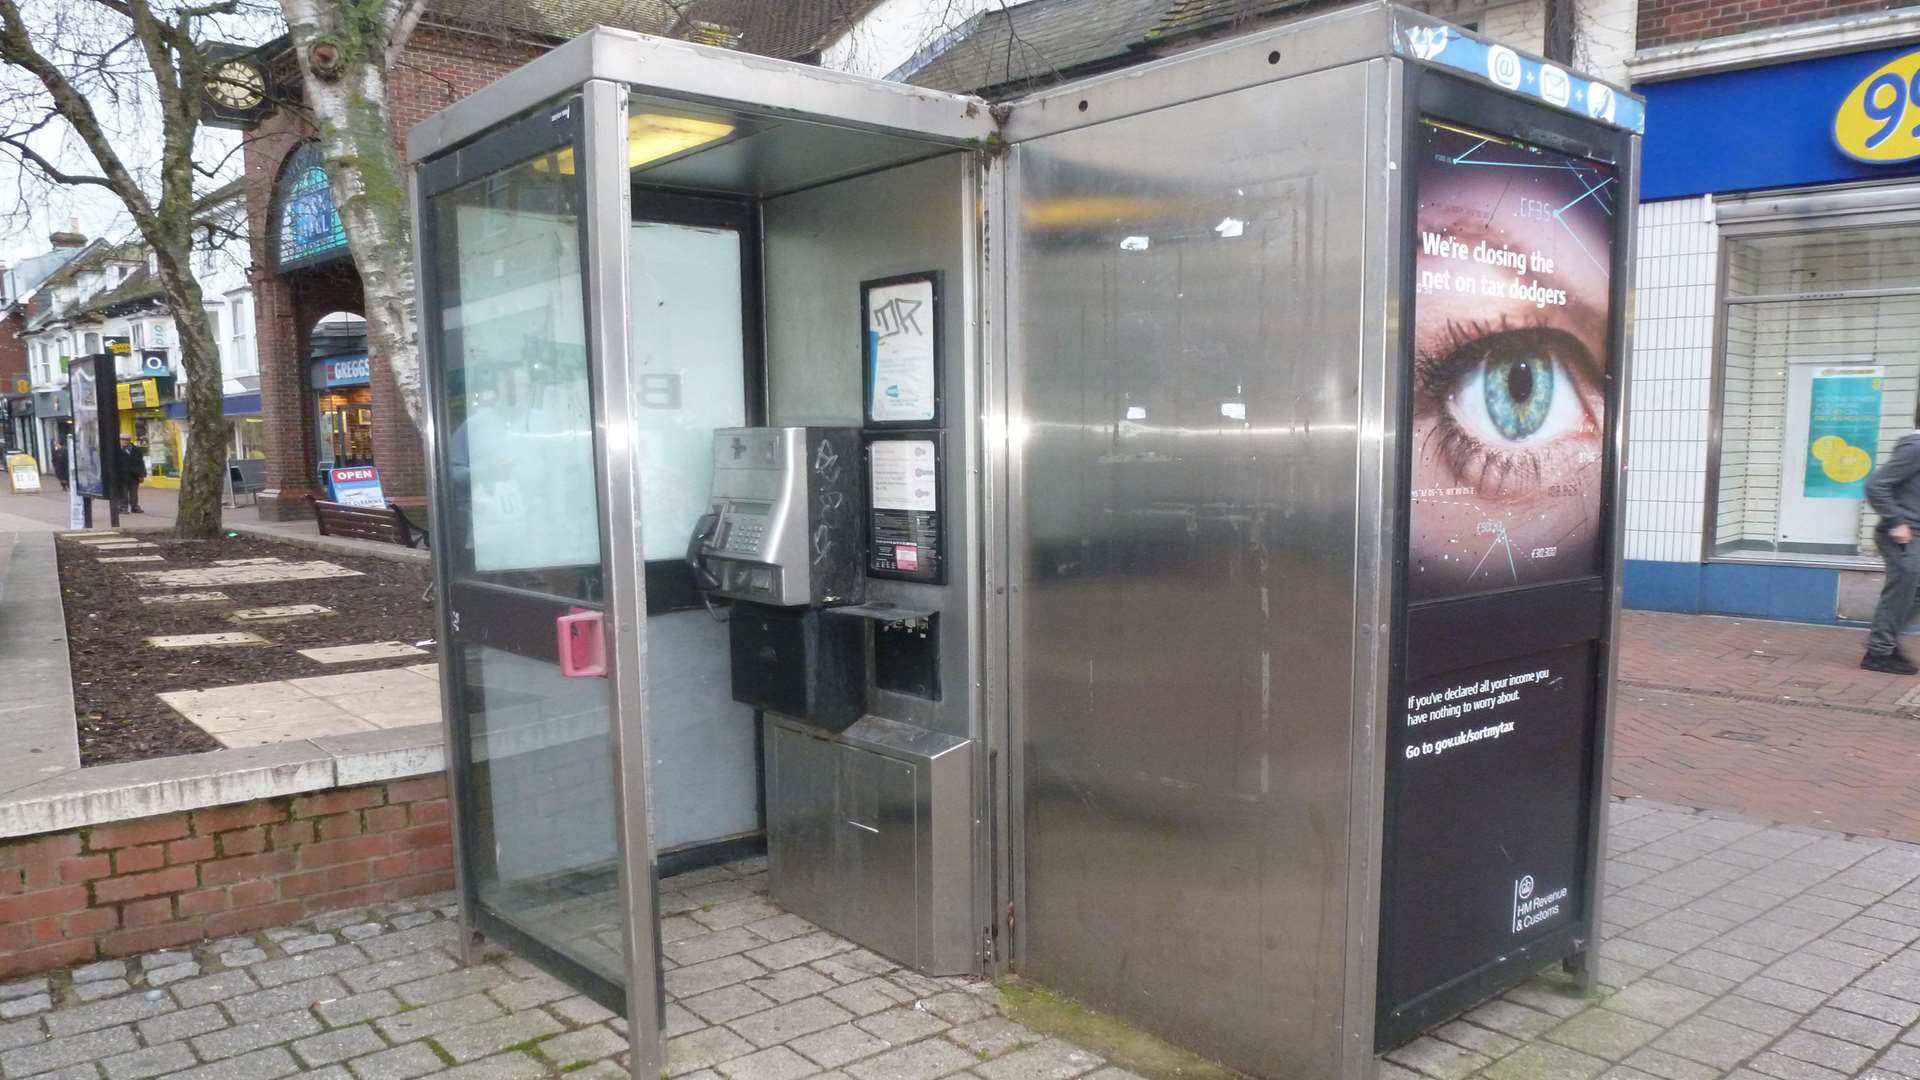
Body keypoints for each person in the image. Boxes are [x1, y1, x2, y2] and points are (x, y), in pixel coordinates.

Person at [1863, 428, 1920, 673]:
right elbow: (1876, 485)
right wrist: (1896, 521)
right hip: (1904, 535)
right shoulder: (1916, 447)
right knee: (1900, 592)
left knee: (1911, 593)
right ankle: (1878, 653)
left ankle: (1885, 640)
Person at [114, 433, 146, 514]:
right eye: (122, 439)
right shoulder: (115, 450)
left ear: (130, 440)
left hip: (134, 475)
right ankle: (123, 508)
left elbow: (141, 463)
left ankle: (134, 507)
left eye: (127, 439)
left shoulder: (136, 450)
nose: (125, 441)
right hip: (121, 476)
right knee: (122, 493)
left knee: (134, 493)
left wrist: (142, 474)